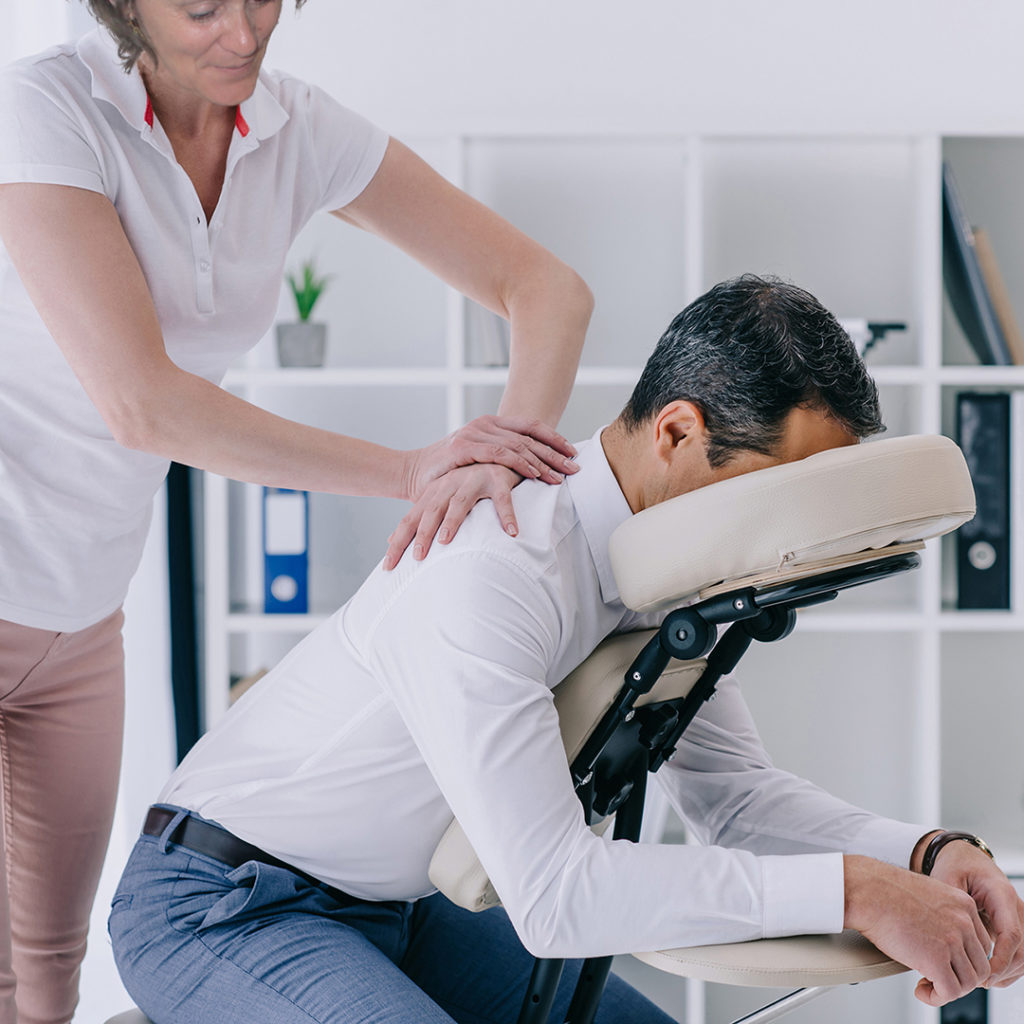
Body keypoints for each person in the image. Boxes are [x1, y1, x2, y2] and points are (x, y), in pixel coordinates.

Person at [108, 276, 1024, 1023]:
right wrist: (854, 892)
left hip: (397, 910)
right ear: (677, 431)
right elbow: (554, 897)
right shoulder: (494, 567)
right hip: (225, 904)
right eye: (772, 492)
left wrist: (925, 854)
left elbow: (735, 798)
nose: (781, 535)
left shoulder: (667, 575)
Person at [0, 2, 591, 1021]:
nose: (242, 31)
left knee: (46, 969)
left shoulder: (296, 132)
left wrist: (500, 468)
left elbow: (546, 288)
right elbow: (141, 402)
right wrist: (412, 469)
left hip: (83, 622)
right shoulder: (43, 109)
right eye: (200, 8)